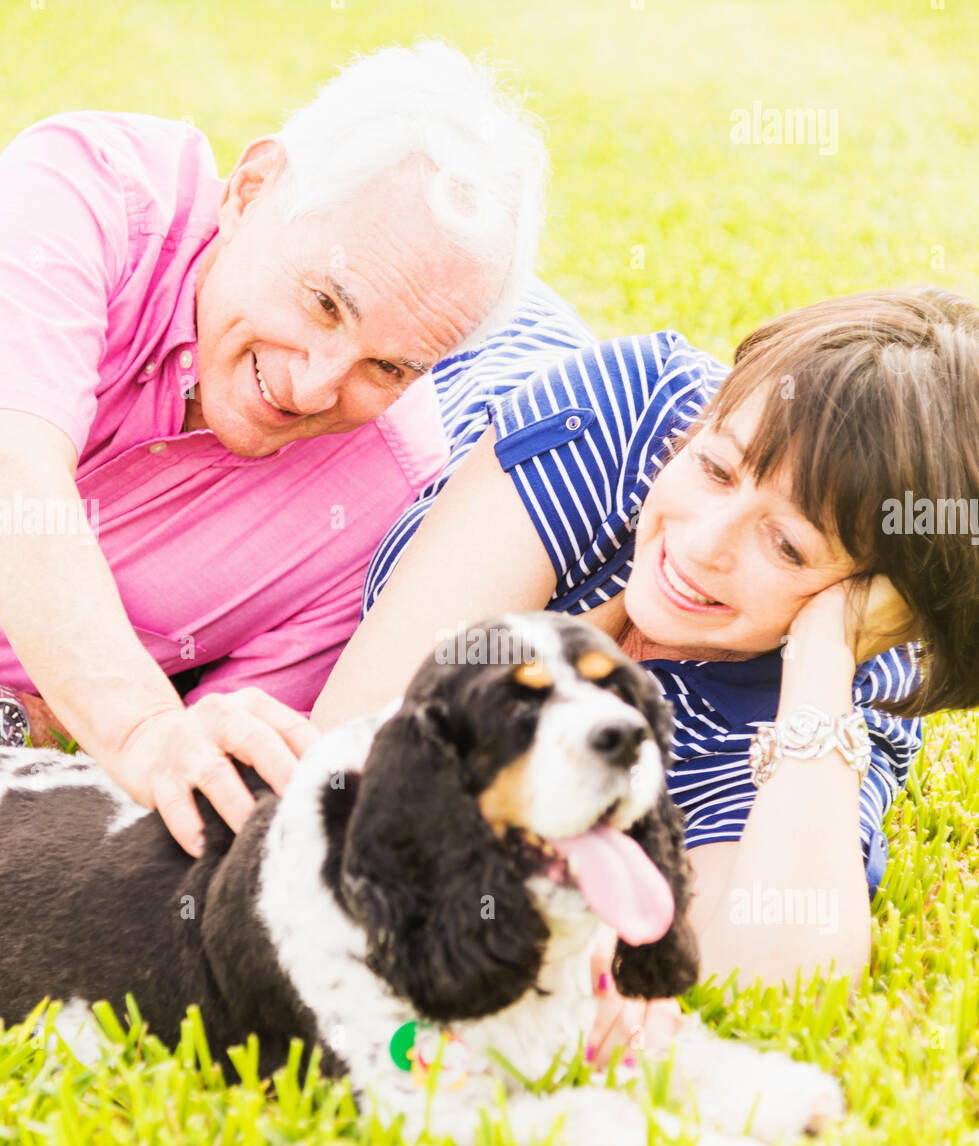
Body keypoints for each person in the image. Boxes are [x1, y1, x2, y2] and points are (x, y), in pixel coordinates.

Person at [312, 288, 979, 1062]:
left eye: (788, 547)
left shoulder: (840, 695)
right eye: (717, 468)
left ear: (879, 598)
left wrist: (823, 655)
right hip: (462, 351)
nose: (701, 545)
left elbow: (776, 986)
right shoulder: (620, 418)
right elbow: (360, 752)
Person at [0, 40, 547, 855]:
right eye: (325, 303)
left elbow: (212, 789)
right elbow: (17, 469)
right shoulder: (90, 187)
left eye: (387, 366)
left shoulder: (387, 497)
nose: (314, 388)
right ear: (251, 190)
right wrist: (141, 725)